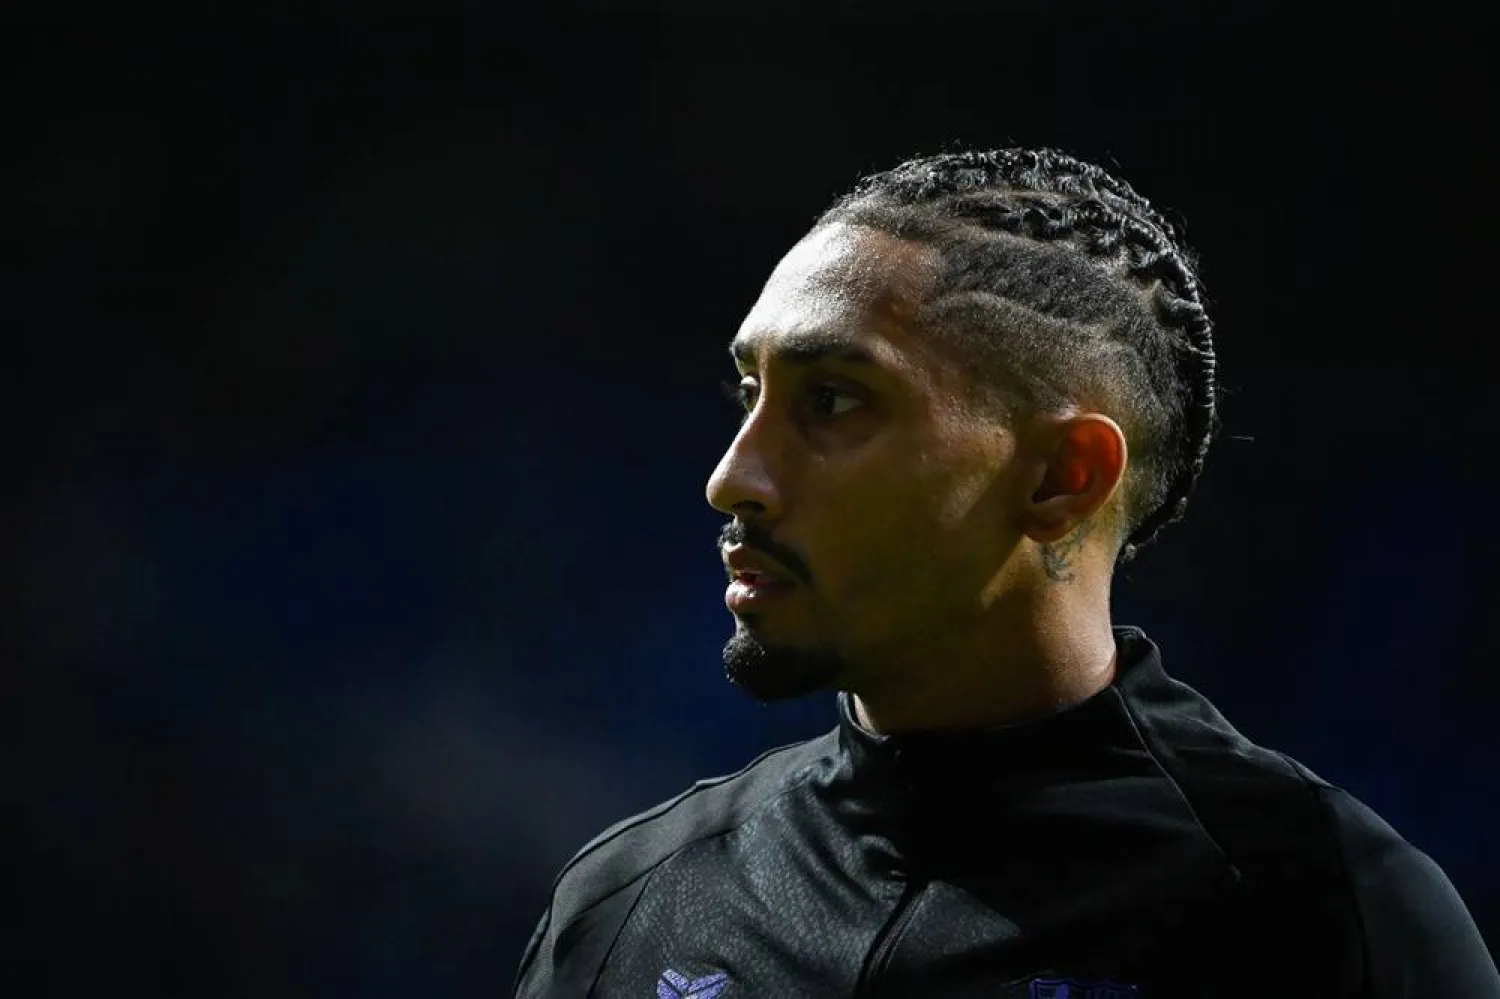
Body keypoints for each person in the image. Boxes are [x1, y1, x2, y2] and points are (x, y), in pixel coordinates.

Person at [512, 148, 1499, 998]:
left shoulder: (1323, 919)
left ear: (1062, 478)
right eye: (748, 392)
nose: (733, 478)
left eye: (834, 401)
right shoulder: (626, 907)